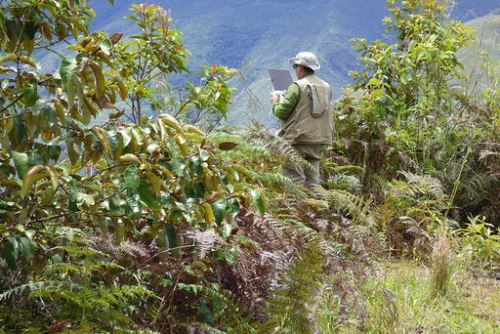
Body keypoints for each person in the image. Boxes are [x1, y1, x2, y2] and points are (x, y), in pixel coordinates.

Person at [270, 51, 333, 187]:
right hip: (316, 141)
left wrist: (276, 101)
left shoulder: (297, 86)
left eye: (295, 67)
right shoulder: (327, 87)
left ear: (301, 68)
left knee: (294, 181)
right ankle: (318, 207)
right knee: (313, 183)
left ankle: (295, 208)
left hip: (296, 141)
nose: (295, 70)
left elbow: (281, 112)